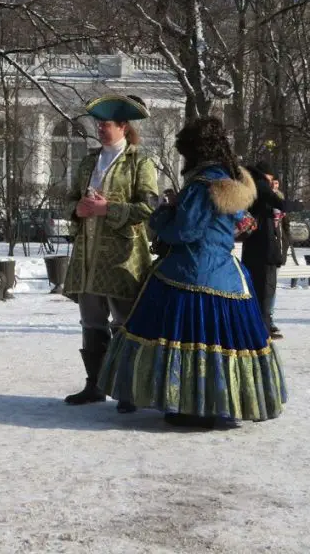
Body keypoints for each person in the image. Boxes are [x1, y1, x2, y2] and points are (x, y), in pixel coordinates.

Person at [99, 117, 287, 427]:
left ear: (194, 151)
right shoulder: (230, 180)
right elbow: (244, 225)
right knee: (222, 342)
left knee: (182, 338)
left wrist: (162, 215)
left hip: (188, 271)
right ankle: (219, 402)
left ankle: (191, 405)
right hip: (226, 274)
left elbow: (185, 231)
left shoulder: (202, 185)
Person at [62, 94, 160, 407]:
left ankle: (127, 389)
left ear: (123, 127)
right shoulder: (88, 161)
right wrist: (77, 209)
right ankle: (94, 384)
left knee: (124, 324)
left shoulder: (140, 162)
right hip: (87, 255)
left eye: (106, 125)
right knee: (91, 322)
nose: (101, 129)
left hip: (123, 257)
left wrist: (108, 209)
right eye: (99, 124)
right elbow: (70, 200)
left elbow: (149, 207)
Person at [242, 161, 299, 340]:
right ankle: (262, 330)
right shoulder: (260, 186)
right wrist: (297, 205)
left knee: (259, 289)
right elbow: (279, 203)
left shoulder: (251, 185)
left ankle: (260, 327)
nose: (272, 183)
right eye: (271, 179)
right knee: (264, 290)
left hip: (255, 246)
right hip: (263, 247)